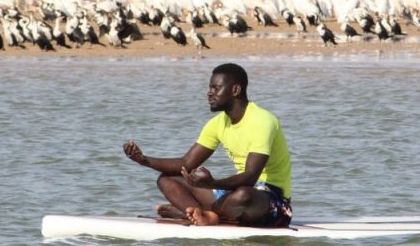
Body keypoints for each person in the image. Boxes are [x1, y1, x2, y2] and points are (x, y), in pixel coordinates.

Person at [123, 63, 293, 227]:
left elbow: (250, 177)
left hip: (270, 200)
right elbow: (186, 163)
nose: (209, 93)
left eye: (215, 88)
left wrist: (212, 183)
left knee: (244, 195)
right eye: (210, 88)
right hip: (233, 193)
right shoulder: (217, 123)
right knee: (166, 178)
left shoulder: (262, 121)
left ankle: (203, 214)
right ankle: (201, 214)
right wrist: (144, 160)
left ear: (235, 90)